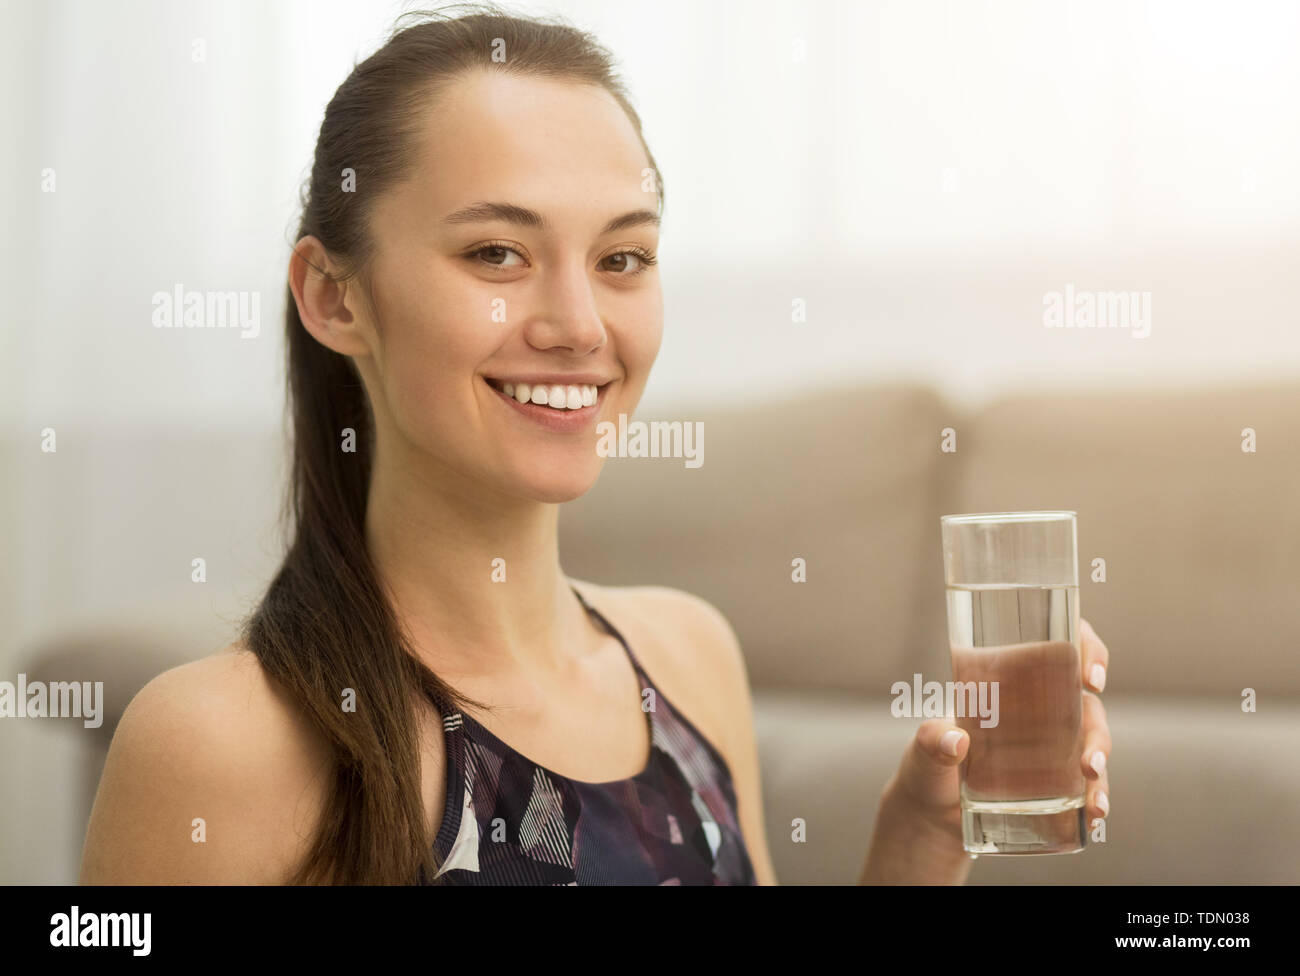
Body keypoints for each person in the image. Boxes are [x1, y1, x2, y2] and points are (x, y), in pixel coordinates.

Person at [79, 4, 1112, 885]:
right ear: (333, 294)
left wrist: (914, 851)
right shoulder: (220, 745)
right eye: (497, 252)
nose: (578, 323)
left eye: (622, 256)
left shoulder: (689, 657)